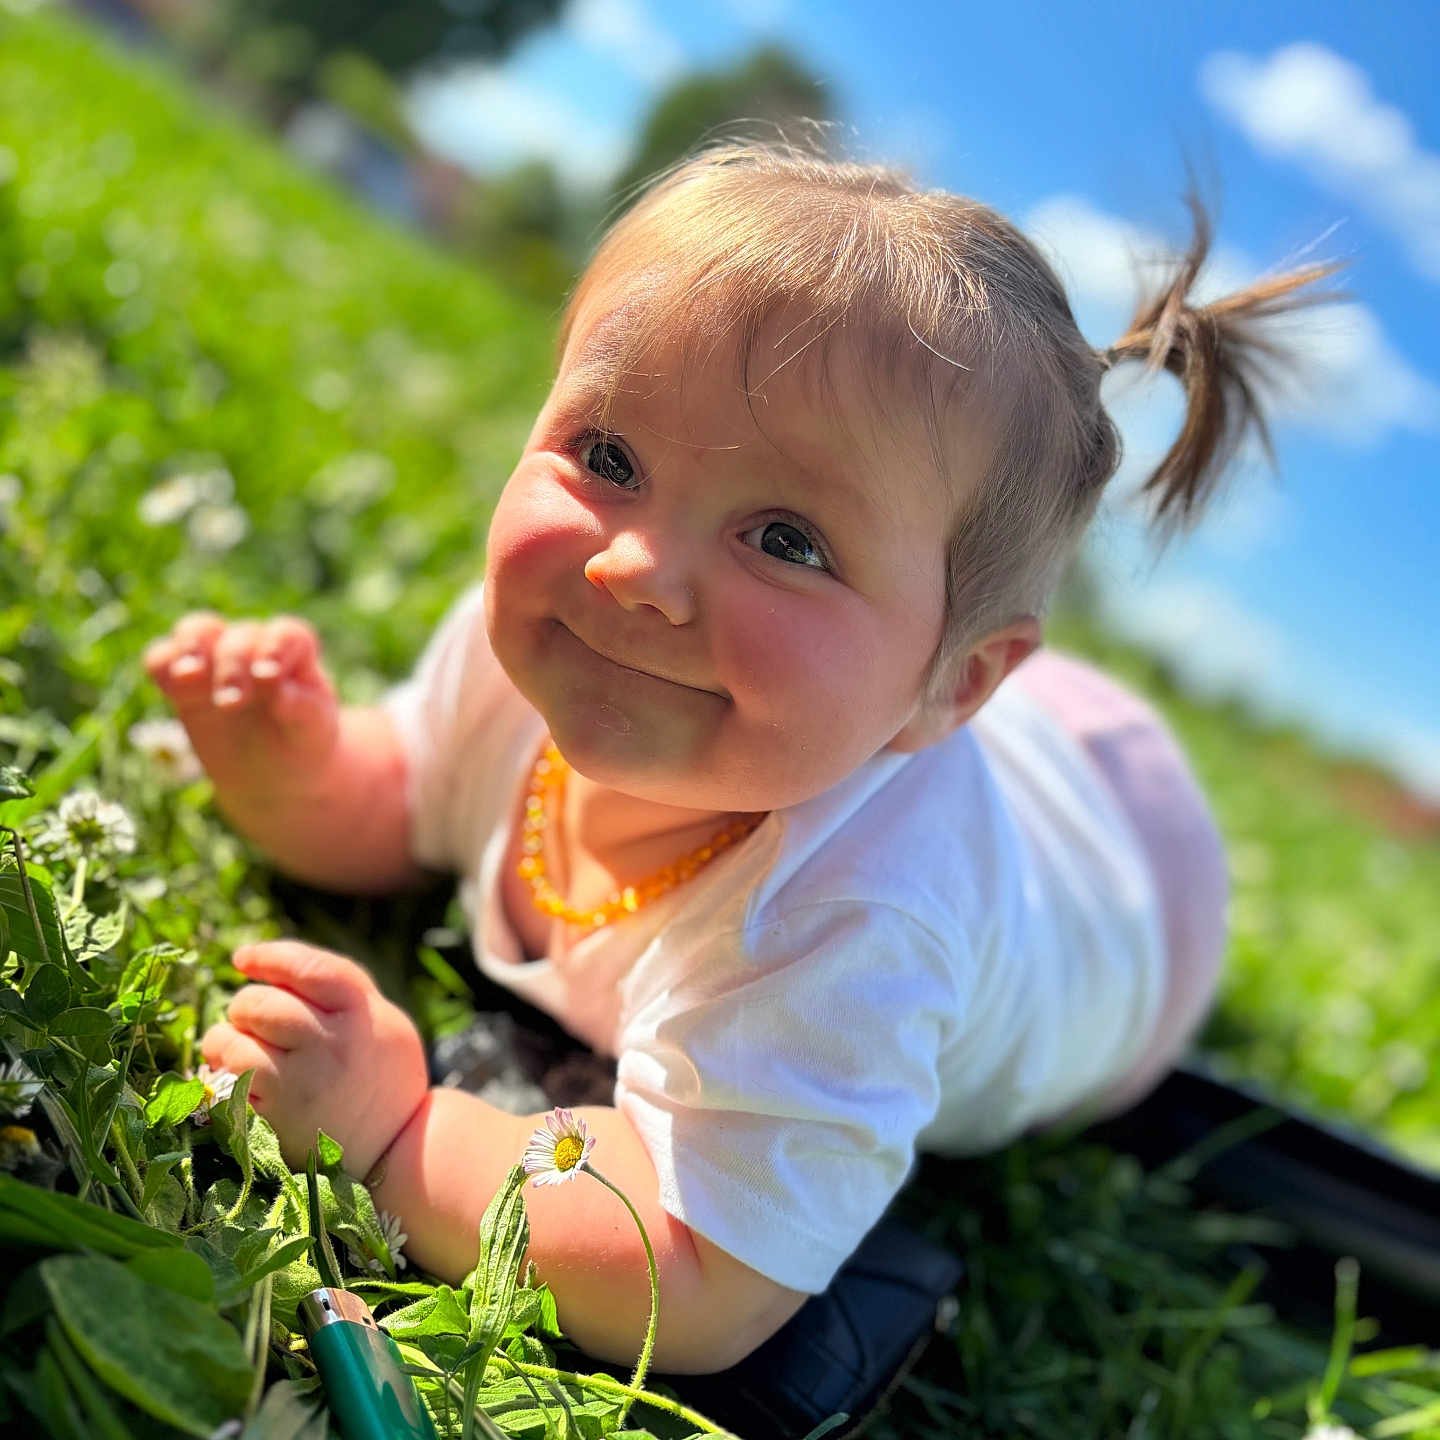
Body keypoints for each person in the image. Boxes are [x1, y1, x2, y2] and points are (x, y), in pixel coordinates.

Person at [143, 140, 1333, 1381]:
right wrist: (293, 766)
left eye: (785, 540)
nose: (634, 569)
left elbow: (701, 1271)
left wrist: (396, 1135)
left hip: (1133, 884)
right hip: (985, 719)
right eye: (609, 459)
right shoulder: (553, 649)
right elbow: (407, 799)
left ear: (956, 684)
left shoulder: (863, 917)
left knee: (1038, 842)